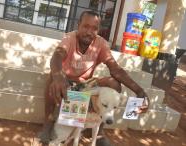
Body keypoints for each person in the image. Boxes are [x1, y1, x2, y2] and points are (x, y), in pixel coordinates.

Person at [39, 10, 149, 146]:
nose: (89, 32)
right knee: (53, 77)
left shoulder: (101, 44)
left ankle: (99, 130)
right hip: (66, 85)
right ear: (78, 25)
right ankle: (48, 124)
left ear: (98, 30)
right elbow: (57, 56)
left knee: (114, 84)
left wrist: (140, 91)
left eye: (94, 28)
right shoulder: (69, 38)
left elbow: (116, 70)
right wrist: (58, 77)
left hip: (86, 86)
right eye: (85, 26)